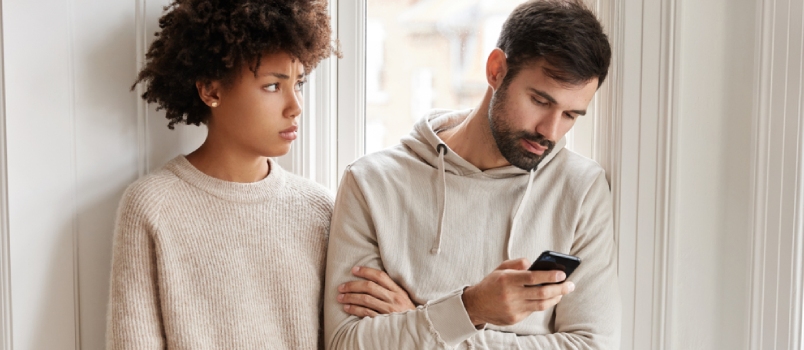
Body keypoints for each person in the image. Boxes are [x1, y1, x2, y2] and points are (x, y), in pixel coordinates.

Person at [324, 0, 619, 348]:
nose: (551, 132)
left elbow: (592, 345)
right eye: (540, 101)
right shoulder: (372, 182)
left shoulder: (581, 188)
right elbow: (345, 343)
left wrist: (440, 319)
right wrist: (471, 307)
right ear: (496, 70)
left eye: (571, 115)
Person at [106, 1, 339, 348]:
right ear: (211, 90)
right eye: (273, 86)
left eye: (299, 84)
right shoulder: (152, 205)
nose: (296, 106)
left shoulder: (321, 209)